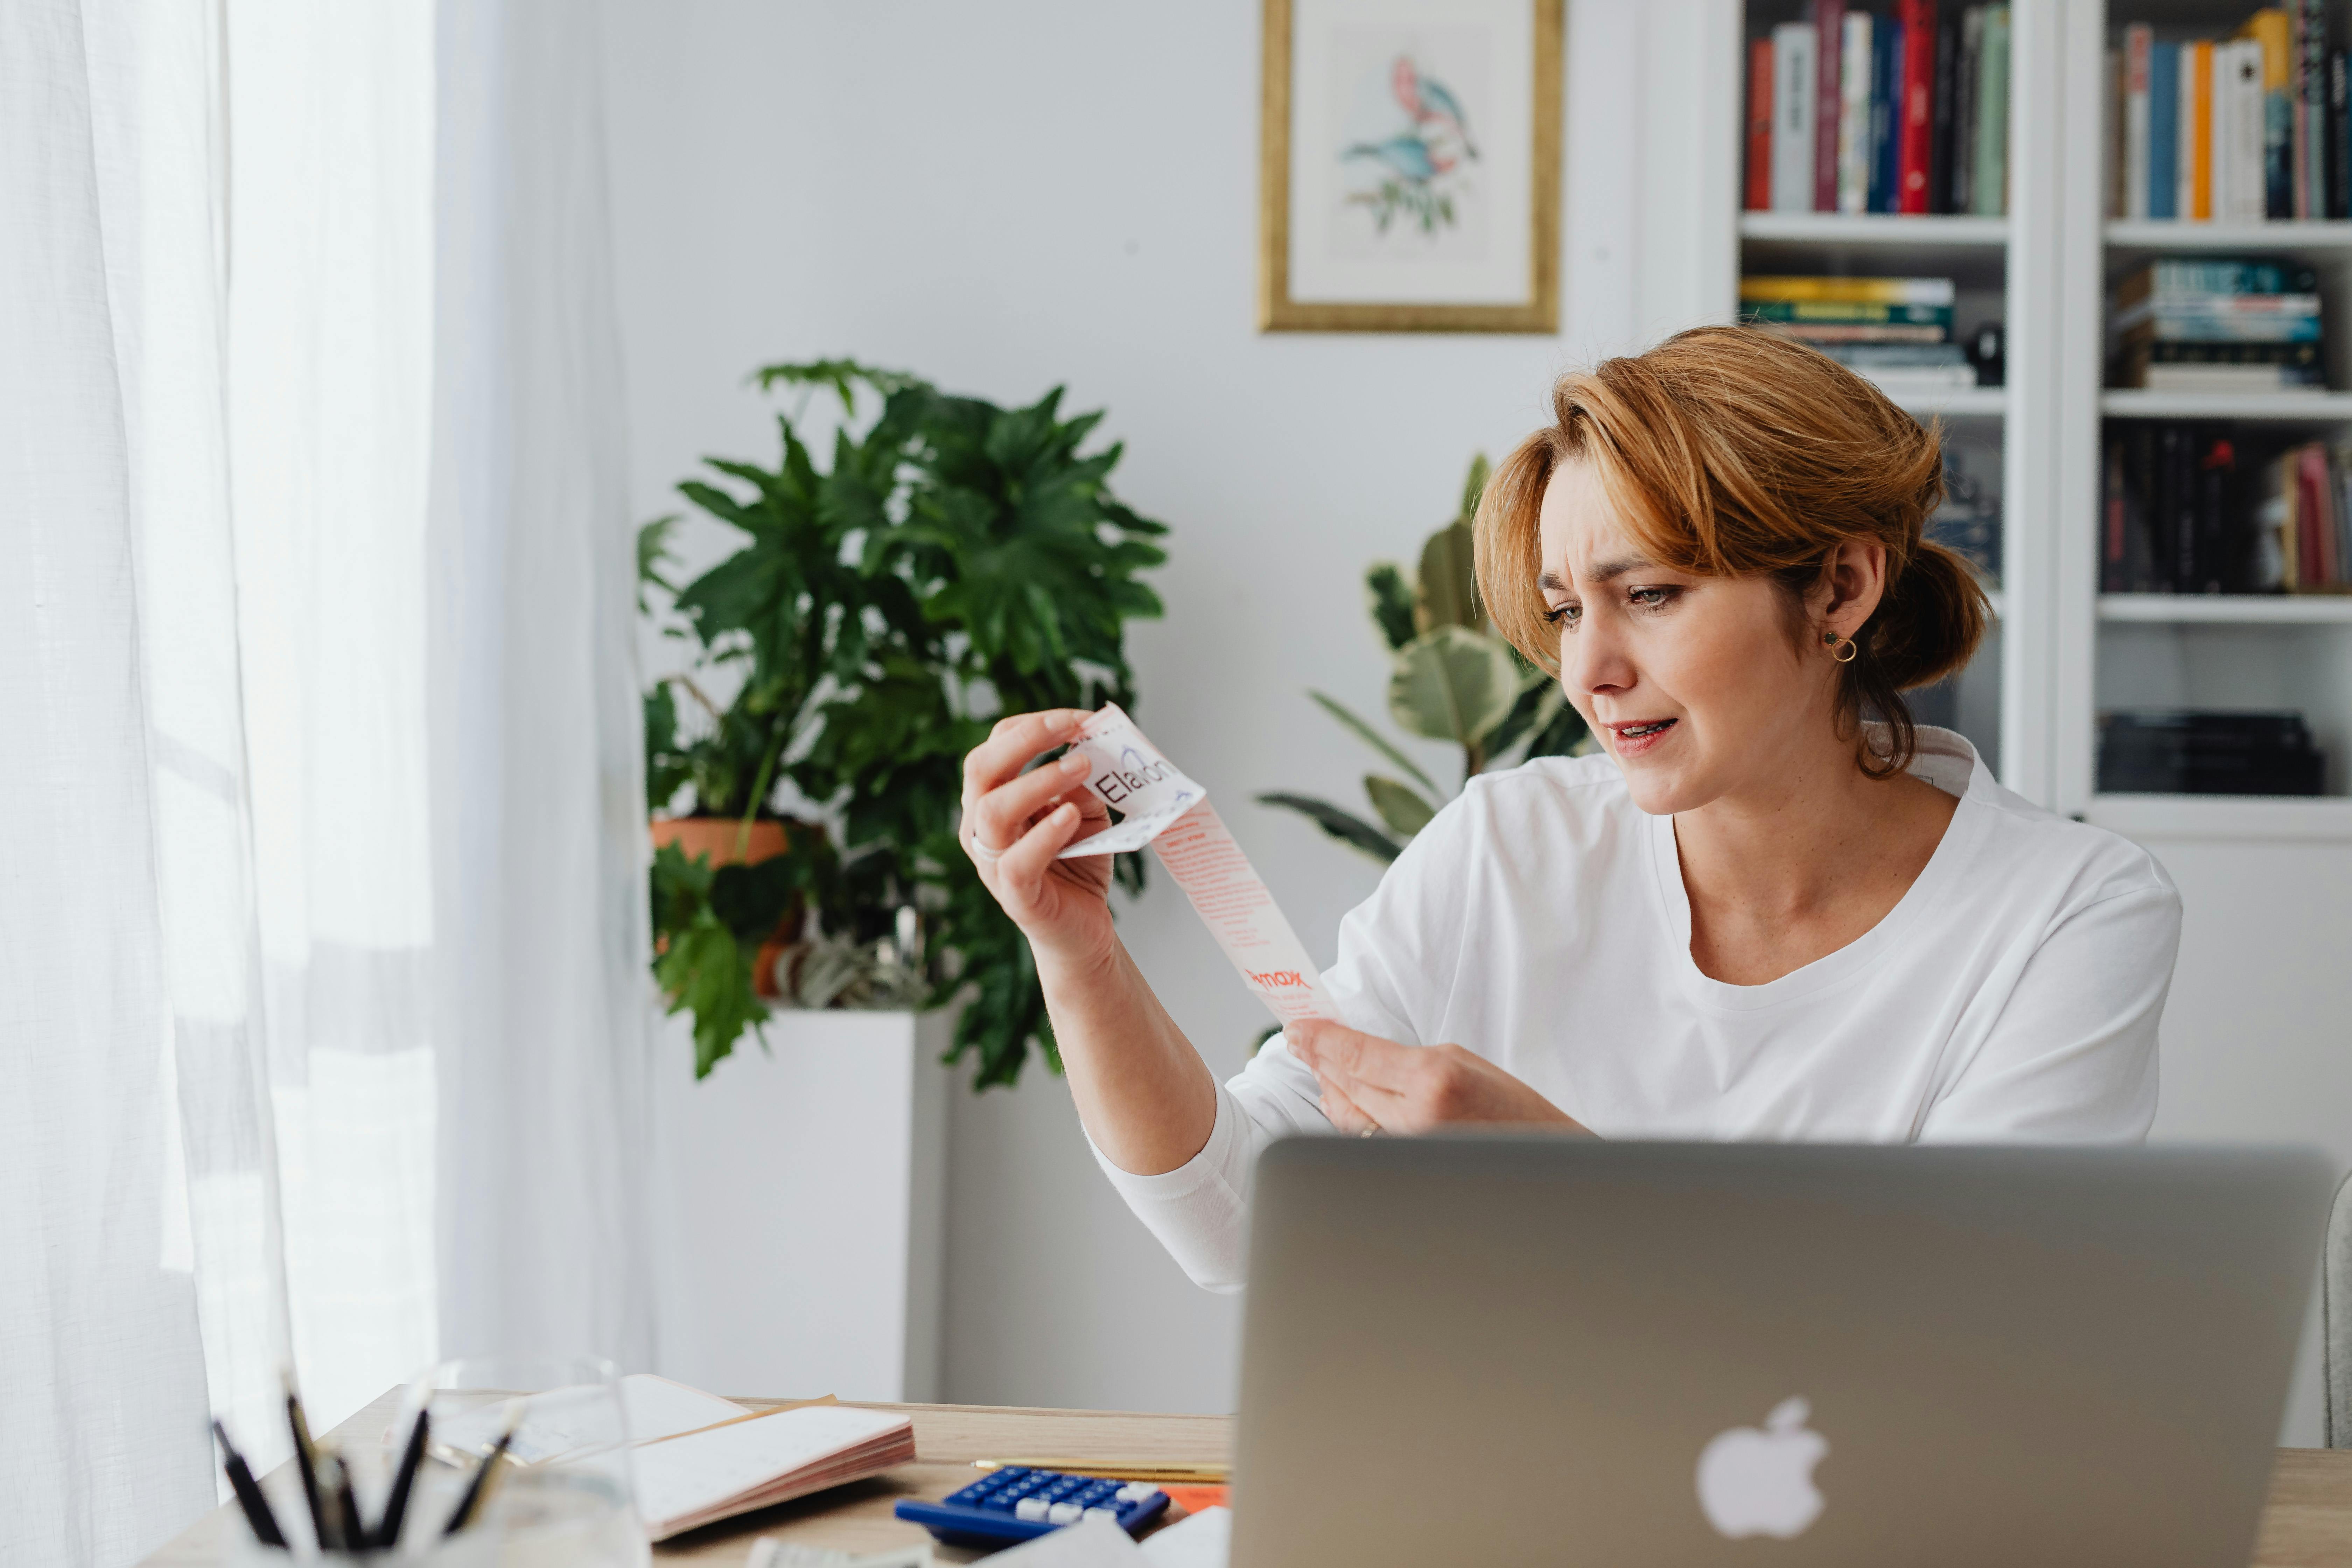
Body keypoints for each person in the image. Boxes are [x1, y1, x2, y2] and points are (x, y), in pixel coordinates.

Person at [956, 327, 2181, 1292]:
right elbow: (1237, 1223)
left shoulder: (2067, 913)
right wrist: (1079, 957)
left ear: (1842, 587)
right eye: (1561, 611)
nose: (1586, 671)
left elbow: (1972, 1339)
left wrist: (1562, 1185)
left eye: (1647, 593)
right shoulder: (1508, 848)